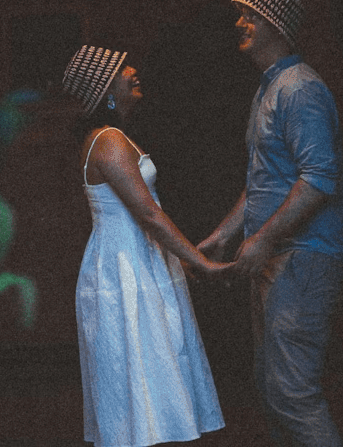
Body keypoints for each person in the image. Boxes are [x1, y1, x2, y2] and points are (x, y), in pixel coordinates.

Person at [197, 0, 343, 447]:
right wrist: (226, 232)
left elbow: (319, 179)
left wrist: (261, 239)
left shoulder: (301, 89)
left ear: (276, 26)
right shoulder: (268, 89)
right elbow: (264, 179)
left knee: (291, 392)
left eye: (251, 16)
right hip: (276, 256)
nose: (240, 23)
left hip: (303, 256)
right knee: (271, 387)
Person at [63, 44, 226, 446]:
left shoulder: (115, 137)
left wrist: (178, 260)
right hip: (125, 269)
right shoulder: (109, 141)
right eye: (121, 68)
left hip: (139, 260)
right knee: (138, 374)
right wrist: (200, 262)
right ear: (106, 89)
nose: (133, 70)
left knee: (156, 372)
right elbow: (149, 214)